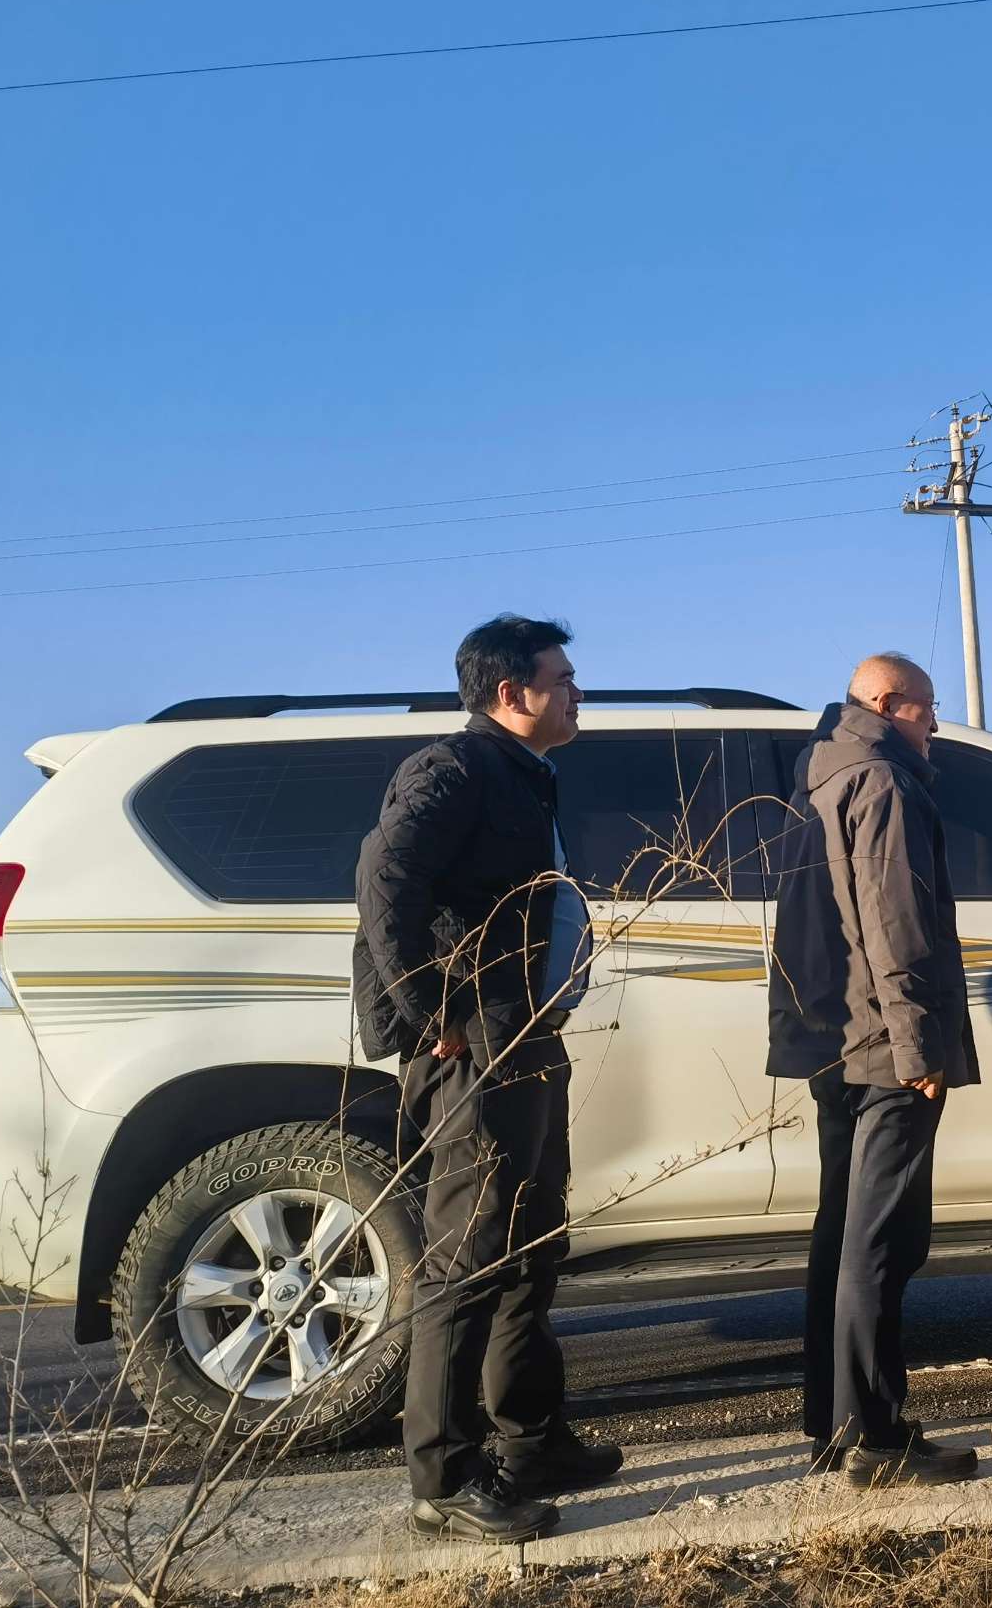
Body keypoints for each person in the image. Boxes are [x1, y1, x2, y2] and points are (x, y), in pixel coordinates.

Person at [352, 616, 622, 1544]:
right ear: (513, 693)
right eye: (564, 678)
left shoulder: (524, 775)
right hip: (475, 1047)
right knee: (466, 1256)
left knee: (531, 1242)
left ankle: (532, 1441)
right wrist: (433, 1010)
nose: (578, 692)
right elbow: (385, 877)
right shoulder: (454, 768)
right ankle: (443, 1478)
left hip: (526, 1037)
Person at [766, 654, 980, 1487]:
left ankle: (833, 1423)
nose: (934, 725)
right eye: (927, 708)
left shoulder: (820, 773)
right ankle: (875, 1438)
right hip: (887, 1041)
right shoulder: (883, 781)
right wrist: (921, 1046)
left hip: (835, 1039)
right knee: (881, 1239)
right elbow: (898, 924)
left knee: (844, 1231)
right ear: (889, 704)